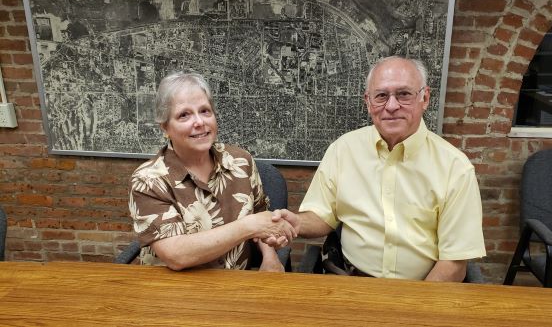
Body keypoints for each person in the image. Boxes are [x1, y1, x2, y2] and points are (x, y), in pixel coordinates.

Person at [270, 56, 486, 281]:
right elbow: (323, 216)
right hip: (351, 284)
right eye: (381, 96)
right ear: (368, 101)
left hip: (423, 289)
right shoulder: (343, 150)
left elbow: (453, 263)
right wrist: (297, 223)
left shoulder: (455, 168)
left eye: (404, 94)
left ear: (425, 98)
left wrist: (415, 307)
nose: (392, 106)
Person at [128, 70, 295, 271]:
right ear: (165, 128)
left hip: (237, 288)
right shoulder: (148, 180)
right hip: (174, 292)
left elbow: (260, 213)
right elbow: (176, 255)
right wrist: (248, 226)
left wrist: (270, 258)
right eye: (184, 115)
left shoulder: (241, 161)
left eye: (205, 111)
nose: (199, 122)